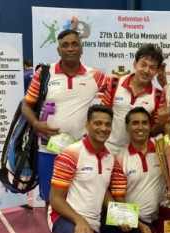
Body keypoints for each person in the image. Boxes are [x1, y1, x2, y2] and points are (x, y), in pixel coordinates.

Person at [21, 29, 112, 214]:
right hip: (48, 151)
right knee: (52, 201)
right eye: (65, 45)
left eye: (74, 44)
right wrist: (37, 124)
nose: (70, 48)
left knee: (84, 198)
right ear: (58, 50)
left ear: (81, 48)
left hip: (82, 152)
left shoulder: (95, 75)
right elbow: (26, 106)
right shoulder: (44, 74)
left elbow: (119, 91)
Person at [49, 104, 114, 233]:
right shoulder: (71, 153)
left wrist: (121, 216)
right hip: (65, 216)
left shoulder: (110, 157)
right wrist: (79, 220)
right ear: (87, 125)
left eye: (108, 124)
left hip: (93, 222)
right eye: (98, 123)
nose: (103, 128)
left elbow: (102, 188)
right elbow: (55, 199)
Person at [101, 107, 164, 233]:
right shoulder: (119, 158)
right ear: (127, 127)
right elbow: (118, 197)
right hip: (133, 218)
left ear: (150, 125)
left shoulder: (163, 151)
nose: (140, 127)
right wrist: (138, 225)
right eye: (135, 123)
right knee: (107, 227)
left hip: (160, 217)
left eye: (144, 123)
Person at [101, 44, 170, 154]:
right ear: (135, 64)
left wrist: (161, 124)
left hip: (137, 154)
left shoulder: (158, 95)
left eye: (152, 67)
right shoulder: (114, 84)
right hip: (108, 149)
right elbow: (101, 117)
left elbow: (152, 133)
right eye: (143, 65)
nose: (146, 70)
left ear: (156, 71)